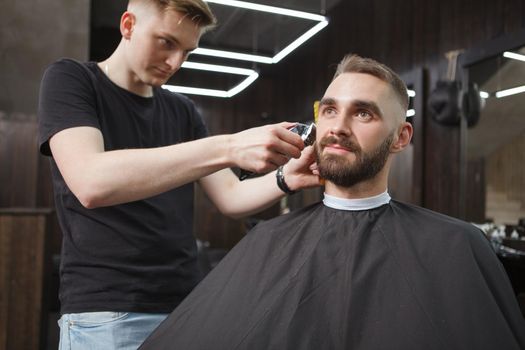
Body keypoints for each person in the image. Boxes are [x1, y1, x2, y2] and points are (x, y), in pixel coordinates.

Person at [139, 54, 525, 350]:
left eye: (363, 112)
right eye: (329, 110)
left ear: (401, 137)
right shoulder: (266, 240)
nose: (338, 126)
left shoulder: (456, 246)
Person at [37, 0, 320, 349]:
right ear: (128, 25)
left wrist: (287, 178)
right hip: (107, 311)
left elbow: (230, 196)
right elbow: (91, 182)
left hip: (186, 304)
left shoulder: (182, 111)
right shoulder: (72, 80)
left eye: (187, 50)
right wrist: (228, 147)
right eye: (166, 42)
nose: (175, 62)